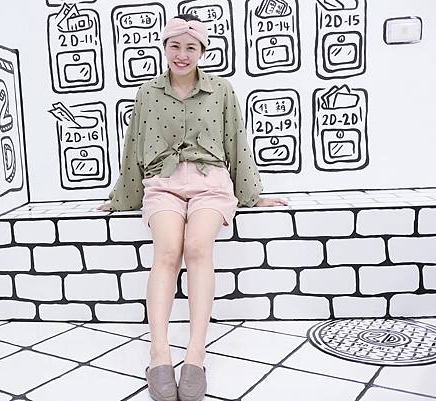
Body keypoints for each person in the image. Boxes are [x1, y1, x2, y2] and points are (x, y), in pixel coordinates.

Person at [99, 14, 287, 401]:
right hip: (163, 183)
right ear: (165, 47)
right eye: (175, 46)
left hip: (210, 184)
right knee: (168, 250)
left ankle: (196, 355)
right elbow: (134, 145)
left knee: (198, 247)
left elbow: (237, 141)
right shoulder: (148, 93)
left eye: (190, 47)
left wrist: (252, 194)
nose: (181, 55)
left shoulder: (221, 90)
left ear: (202, 51)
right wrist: (122, 197)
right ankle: (159, 353)